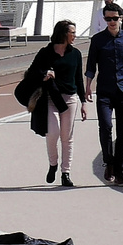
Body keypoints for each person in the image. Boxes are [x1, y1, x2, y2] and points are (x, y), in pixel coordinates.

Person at [22, 20, 87, 186]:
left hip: (70, 98)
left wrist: (83, 102)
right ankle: (53, 164)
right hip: (50, 98)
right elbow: (32, 72)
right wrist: (45, 74)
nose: (75, 35)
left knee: (67, 137)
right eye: (72, 32)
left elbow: (78, 79)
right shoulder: (46, 53)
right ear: (63, 34)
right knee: (53, 132)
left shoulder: (76, 53)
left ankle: (66, 172)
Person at [85, 4, 123, 185]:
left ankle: (119, 172)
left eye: (114, 18)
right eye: (108, 19)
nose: (111, 22)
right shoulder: (97, 40)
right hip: (104, 91)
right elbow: (90, 67)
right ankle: (108, 161)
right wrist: (87, 87)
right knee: (106, 126)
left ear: (121, 18)